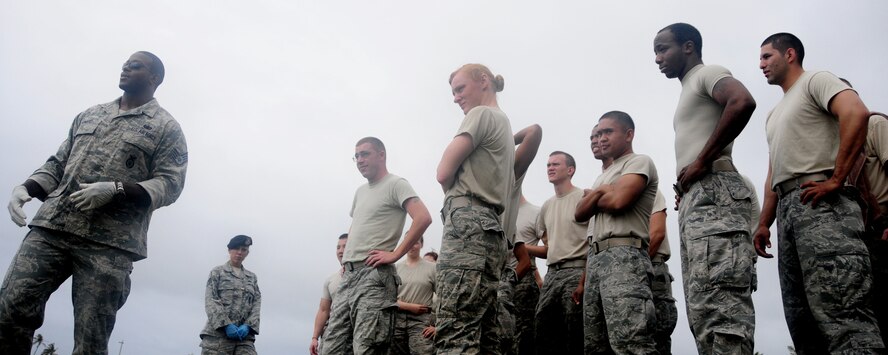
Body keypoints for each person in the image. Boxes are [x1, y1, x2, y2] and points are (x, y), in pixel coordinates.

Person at [0, 51, 187, 355]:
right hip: (53, 227)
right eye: (125, 64)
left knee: (91, 340)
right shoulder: (90, 114)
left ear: (154, 78)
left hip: (108, 244)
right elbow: (59, 163)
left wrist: (116, 189)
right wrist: (27, 187)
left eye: (135, 66)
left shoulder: (166, 128)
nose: (126, 68)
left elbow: (170, 183)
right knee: (10, 309)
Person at [754, 32, 884, 353]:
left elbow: (856, 112)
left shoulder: (816, 80)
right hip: (788, 212)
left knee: (843, 313)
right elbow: (774, 172)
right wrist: (764, 223)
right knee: (803, 323)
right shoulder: (774, 114)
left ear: (790, 55)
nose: (761, 64)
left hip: (823, 205)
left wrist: (837, 178)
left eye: (767, 56)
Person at [653, 22, 758, 353]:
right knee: (703, 310)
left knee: (723, 310)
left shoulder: (706, 73)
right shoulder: (687, 90)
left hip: (715, 189)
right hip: (697, 198)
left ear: (688, 47)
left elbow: (741, 101)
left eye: (663, 49)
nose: (657, 58)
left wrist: (701, 161)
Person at [322, 137, 432, 355]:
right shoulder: (360, 192)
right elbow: (356, 225)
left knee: (367, 347)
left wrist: (395, 254)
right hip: (349, 276)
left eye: (365, 154)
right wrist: (347, 259)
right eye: (356, 156)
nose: (359, 160)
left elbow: (423, 217)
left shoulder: (396, 184)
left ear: (381, 155)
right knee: (332, 346)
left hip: (374, 275)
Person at [436, 63, 515, 354]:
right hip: (491, 230)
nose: (456, 97)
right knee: (484, 334)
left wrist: (455, 199)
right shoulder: (503, 122)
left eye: (460, 89)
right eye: (453, 92)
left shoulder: (480, 114)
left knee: (455, 329)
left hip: (468, 225)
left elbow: (443, 172)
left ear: (483, 81)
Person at [575, 111, 658, 353]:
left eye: (608, 132)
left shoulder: (638, 162)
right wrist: (604, 190)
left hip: (625, 256)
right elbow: (579, 213)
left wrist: (595, 195)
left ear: (628, 134)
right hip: (596, 259)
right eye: (599, 133)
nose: (601, 138)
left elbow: (620, 201)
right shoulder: (603, 177)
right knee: (595, 345)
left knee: (631, 342)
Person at [533, 151, 587, 355]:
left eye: (555, 164)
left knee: (574, 333)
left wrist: (583, 281)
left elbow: (593, 241)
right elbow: (548, 243)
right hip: (552, 274)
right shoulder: (547, 206)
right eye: (548, 165)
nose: (550, 168)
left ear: (570, 170)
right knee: (543, 330)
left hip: (576, 270)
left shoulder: (583, 197)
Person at [497, 123, 543, 355]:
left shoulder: (522, 210)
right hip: (484, 279)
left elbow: (534, 131)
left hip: (514, 285)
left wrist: (509, 280)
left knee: (516, 338)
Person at [200, 235, 261, 354]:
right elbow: (211, 300)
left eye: (243, 249)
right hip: (217, 337)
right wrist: (226, 325)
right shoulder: (217, 272)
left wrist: (248, 326)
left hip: (243, 339)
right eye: (236, 248)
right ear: (229, 250)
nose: (239, 252)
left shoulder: (252, 278)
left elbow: (256, 304)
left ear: (247, 253)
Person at [392, 236, 437, 355]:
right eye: (408, 241)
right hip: (397, 321)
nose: (411, 245)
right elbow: (386, 298)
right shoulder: (395, 268)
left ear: (421, 245)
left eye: (415, 242)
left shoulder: (432, 268)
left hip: (421, 323)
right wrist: (407, 306)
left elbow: (444, 298)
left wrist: (438, 326)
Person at [648, 189, 677, 354]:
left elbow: (657, 233)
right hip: (624, 270)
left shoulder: (650, 190)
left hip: (653, 266)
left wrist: (638, 266)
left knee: (659, 336)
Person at [310, 233, 348, 355]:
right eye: (338, 247)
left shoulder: (364, 275)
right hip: (333, 337)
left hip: (356, 335)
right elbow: (323, 310)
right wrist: (314, 338)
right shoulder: (331, 280)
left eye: (345, 246)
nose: (340, 251)